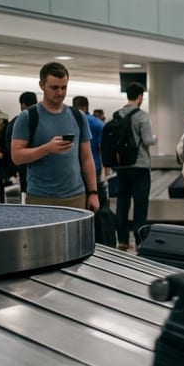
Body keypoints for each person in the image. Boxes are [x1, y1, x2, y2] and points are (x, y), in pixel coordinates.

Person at [10, 63, 99, 212]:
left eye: (64, 87)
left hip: (76, 196)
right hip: (41, 197)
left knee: (75, 236)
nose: (60, 92)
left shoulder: (78, 116)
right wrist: (47, 149)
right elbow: (17, 156)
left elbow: (86, 158)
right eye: (54, 88)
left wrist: (93, 192)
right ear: (42, 85)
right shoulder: (28, 117)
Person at [113, 83, 155, 250]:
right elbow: (147, 140)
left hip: (122, 167)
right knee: (140, 204)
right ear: (140, 96)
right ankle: (139, 241)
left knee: (122, 203)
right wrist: (154, 138)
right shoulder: (142, 116)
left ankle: (122, 240)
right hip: (140, 166)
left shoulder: (117, 115)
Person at [71, 96, 105, 207]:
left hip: (74, 166)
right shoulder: (98, 123)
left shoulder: (71, 121)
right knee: (93, 198)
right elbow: (101, 147)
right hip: (95, 166)